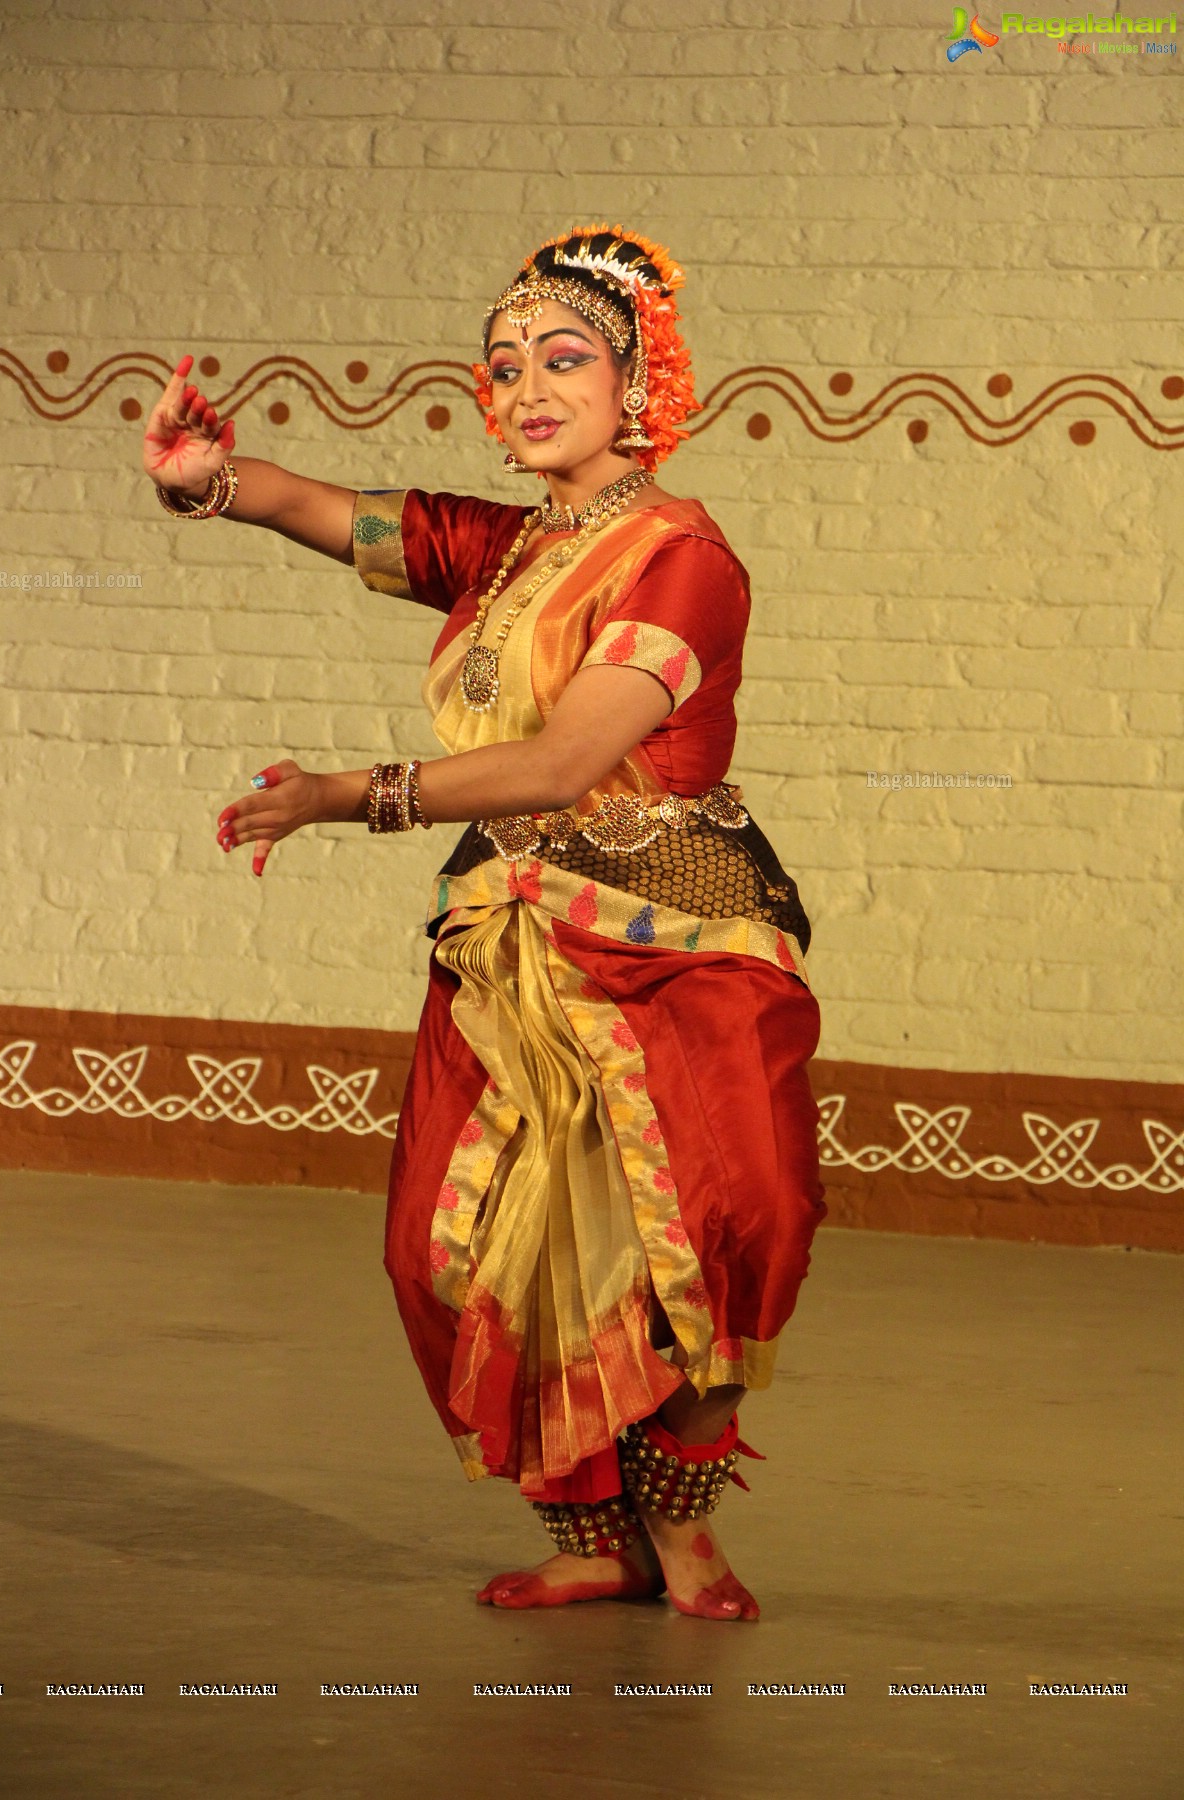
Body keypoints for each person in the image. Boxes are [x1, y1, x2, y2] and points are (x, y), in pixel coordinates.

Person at [143, 224, 827, 1622]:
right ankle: (587, 1527)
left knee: (719, 1228)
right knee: (452, 1246)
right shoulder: (507, 547)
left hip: (675, 947)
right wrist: (209, 480)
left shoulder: (684, 558)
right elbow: (323, 509)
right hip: (507, 947)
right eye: (503, 364)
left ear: (641, 383)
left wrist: (350, 793)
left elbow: (566, 763)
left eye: (562, 358)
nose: (522, 386)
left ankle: (682, 1530)